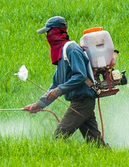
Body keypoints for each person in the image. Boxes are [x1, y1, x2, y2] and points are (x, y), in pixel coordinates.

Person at [23, 16, 109, 148]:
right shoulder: (61, 55)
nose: (47, 36)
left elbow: (80, 75)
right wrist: (38, 104)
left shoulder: (71, 49)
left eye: (49, 32)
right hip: (81, 101)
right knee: (94, 143)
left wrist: (59, 91)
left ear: (57, 32)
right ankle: (107, 158)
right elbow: (55, 85)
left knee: (60, 135)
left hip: (83, 101)